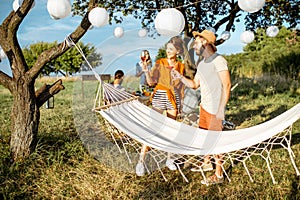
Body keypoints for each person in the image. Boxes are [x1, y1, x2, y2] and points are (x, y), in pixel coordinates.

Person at [172, 29, 231, 185]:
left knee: (216, 140)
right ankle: (207, 163)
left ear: (205, 42)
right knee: (205, 137)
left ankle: (219, 175)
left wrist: (221, 109)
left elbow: (227, 85)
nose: (194, 47)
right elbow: (194, 84)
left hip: (214, 108)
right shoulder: (201, 63)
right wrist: (180, 77)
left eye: (196, 43)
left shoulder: (219, 60)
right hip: (204, 107)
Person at [135, 36, 187, 176]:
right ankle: (141, 161)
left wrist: (180, 104)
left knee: (171, 129)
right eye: (167, 48)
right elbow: (151, 82)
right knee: (152, 128)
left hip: (173, 97)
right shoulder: (160, 62)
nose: (168, 51)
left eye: (171, 49)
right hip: (160, 95)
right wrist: (146, 70)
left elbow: (181, 87)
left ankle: (169, 159)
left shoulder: (181, 66)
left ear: (178, 50)